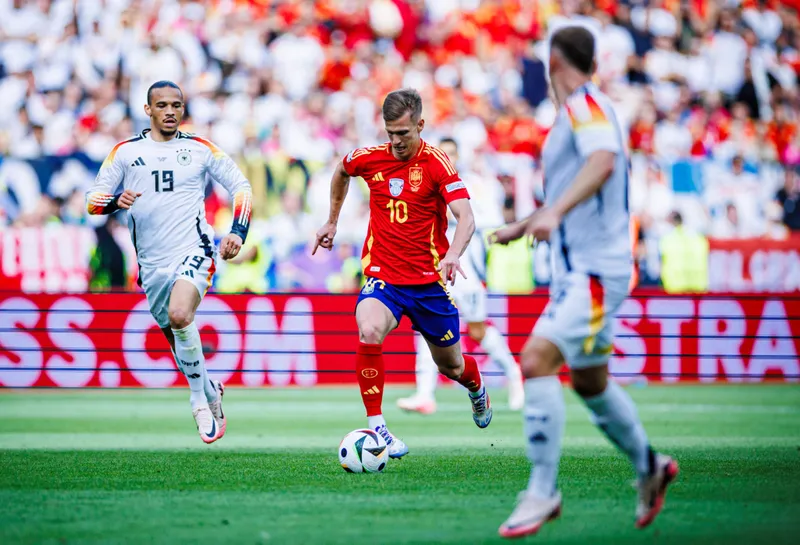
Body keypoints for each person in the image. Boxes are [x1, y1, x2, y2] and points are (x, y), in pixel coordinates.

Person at [490, 27, 678, 538]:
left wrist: (554, 213)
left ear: (553, 59)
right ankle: (650, 466)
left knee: (535, 361)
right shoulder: (577, 112)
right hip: (583, 270)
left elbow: (603, 161)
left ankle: (542, 490)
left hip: (594, 271)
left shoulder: (584, 106)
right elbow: (580, 181)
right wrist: (527, 223)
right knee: (591, 382)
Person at [313, 88, 492, 458]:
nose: (395, 141)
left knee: (453, 367)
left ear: (421, 126)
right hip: (384, 277)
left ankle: (476, 387)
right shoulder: (369, 158)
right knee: (369, 329)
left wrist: (453, 254)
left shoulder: (437, 163)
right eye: (390, 132)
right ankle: (379, 430)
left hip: (428, 282)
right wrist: (332, 221)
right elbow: (342, 170)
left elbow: (467, 218)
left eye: (403, 134)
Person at [86, 80, 253, 444]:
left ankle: (197, 401)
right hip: (151, 264)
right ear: (148, 110)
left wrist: (237, 231)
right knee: (176, 335)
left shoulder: (199, 148)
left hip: (195, 249)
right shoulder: (126, 152)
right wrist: (116, 200)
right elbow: (92, 201)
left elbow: (241, 186)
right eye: (162, 105)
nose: (170, 112)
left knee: (180, 315)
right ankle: (209, 388)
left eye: (176, 105)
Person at [397, 138, 524, 414]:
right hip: (433, 266)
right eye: (444, 153)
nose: (447, 158)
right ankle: (424, 394)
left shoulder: (473, 184)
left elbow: (486, 221)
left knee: (477, 330)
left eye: (452, 153)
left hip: (467, 268)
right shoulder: (426, 182)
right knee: (426, 325)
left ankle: (514, 374)